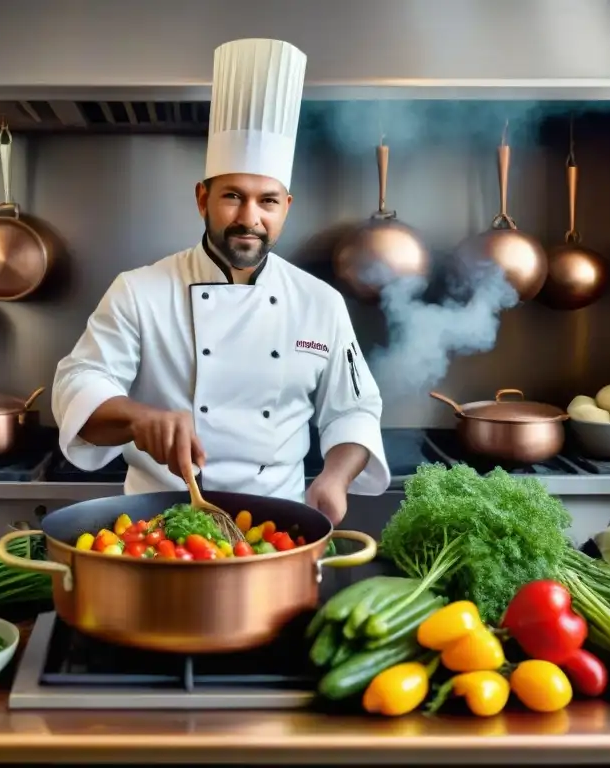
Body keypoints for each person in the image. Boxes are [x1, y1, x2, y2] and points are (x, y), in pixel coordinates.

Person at [52, 38, 389, 525]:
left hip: (280, 524)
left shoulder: (320, 303)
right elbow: (78, 383)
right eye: (233, 196)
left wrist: (334, 477)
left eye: (267, 201)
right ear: (202, 198)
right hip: (160, 526)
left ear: (285, 208)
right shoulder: (140, 291)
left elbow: (354, 410)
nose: (249, 218)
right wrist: (137, 417)